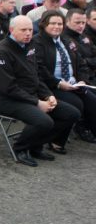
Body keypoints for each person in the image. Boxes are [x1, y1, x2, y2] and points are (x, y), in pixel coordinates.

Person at [0, 15, 81, 166]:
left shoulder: (29, 46)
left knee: (71, 114)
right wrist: (36, 102)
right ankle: (20, 149)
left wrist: (48, 95)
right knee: (43, 121)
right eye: (23, 30)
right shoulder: (1, 52)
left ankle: (35, 146)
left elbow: (36, 76)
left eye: (30, 30)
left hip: (30, 94)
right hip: (7, 100)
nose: (28, 33)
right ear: (11, 30)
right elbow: (8, 88)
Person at [33, 10, 96, 147]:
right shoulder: (37, 43)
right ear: (44, 24)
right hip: (52, 86)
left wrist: (83, 80)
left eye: (60, 24)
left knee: (92, 100)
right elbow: (39, 70)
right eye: (53, 23)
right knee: (76, 104)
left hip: (74, 83)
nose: (57, 27)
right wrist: (59, 83)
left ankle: (84, 129)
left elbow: (80, 64)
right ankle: (55, 140)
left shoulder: (66, 41)